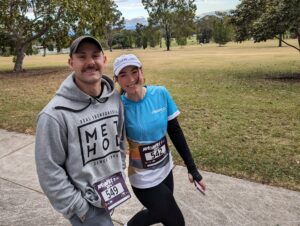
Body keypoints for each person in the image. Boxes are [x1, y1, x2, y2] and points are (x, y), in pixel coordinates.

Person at [35, 36, 129, 226]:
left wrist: (120, 169)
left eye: (95, 55)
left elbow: (119, 140)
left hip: (110, 193)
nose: (90, 62)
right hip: (86, 207)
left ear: (104, 60)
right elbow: (49, 170)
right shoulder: (54, 115)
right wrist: (80, 209)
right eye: (82, 56)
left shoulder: (114, 99)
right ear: (71, 62)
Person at [113, 54, 206, 226]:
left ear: (142, 72)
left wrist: (192, 168)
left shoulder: (161, 93)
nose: (131, 79)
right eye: (123, 75)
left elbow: (175, 132)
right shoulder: (117, 107)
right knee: (176, 221)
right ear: (117, 79)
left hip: (165, 169)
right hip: (142, 178)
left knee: (158, 213)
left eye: (134, 72)